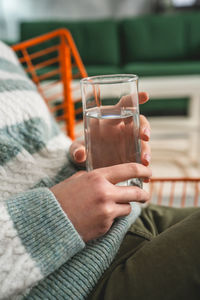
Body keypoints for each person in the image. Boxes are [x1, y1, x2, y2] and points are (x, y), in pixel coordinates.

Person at [0, 40, 200, 300]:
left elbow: (33, 153)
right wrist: (57, 216)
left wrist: (90, 153)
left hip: (129, 217)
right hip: (75, 278)